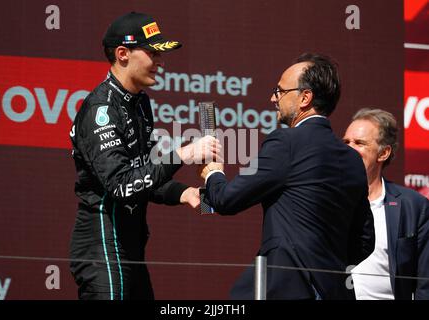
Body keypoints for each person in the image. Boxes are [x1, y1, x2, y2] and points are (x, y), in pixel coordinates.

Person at [69, 11, 220, 300]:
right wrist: (184, 153)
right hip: (102, 246)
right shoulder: (101, 110)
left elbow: (144, 173)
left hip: (130, 245)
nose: (161, 62)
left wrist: (185, 193)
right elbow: (122, 185)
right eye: (153, 53)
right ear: (123, 54)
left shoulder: (140, 103)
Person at [200, 53, 375, 300]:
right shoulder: (352, 159)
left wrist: (213, 173)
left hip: (289, 288)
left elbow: (226, 200)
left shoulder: (286, 142)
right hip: (335, 290)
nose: (273, 98)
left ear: (305, 97)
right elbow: (365, 241)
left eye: (280, 91)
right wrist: (325, 262)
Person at [343, 108, 429, 300]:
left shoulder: (413, 206)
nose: (349, 148)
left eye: (359, 143)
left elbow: (425, 284)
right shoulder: (325, 200)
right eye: (346, 142)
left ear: (383, 153)